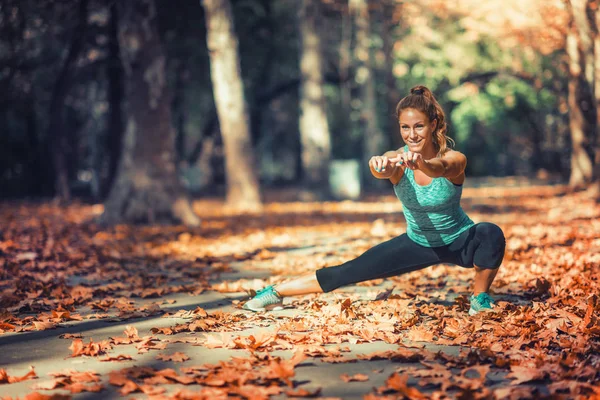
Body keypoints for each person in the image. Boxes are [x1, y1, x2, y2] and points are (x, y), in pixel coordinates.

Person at [243, 85, 506, 316]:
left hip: (459, 239)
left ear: (433, 125)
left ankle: (479, 299)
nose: (411, 135)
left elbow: (440, 167)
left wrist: (423, 164)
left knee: (490, 233)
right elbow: (384, 169)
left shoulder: (454, 158)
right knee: (347, 271)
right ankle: (275, 291)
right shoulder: (398, 158)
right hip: (417, 242)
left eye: (419, 126)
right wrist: (378, 165)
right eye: (405, 127)